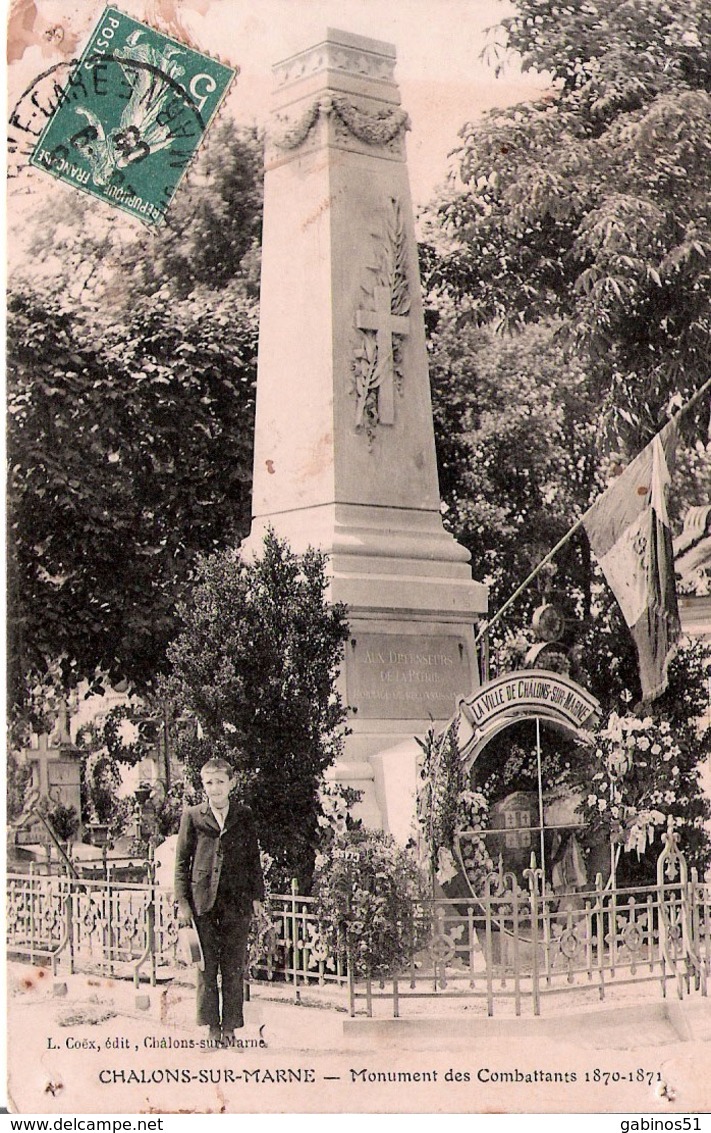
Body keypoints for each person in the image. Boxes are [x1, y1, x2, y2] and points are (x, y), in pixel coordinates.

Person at [174, 758, 264, 1045]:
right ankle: (212, 1027)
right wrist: (184, 904)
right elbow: (181, 864)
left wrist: (256, 897)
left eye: (220, 782)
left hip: (236, 904)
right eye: (209, 783)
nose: (215, 788)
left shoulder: (245, 815)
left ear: (231, 784)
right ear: (203, 786)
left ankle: (230, 1029)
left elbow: (253, 859)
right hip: (203, 904)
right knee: (206, 969)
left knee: (234, 968)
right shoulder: (193, 816)